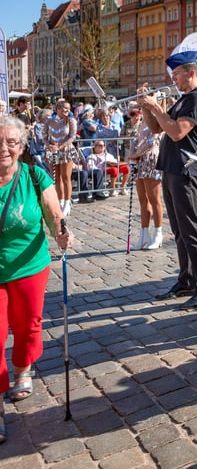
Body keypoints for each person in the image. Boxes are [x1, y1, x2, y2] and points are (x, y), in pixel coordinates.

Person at [0, 115, 75, 443]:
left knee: (28, 324)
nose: (4, 149)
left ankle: (22, 369)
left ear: (21, 146)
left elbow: (53, 214)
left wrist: (61, 232)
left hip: (29, 265)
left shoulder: (34, 175)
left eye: (11, 142)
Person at [137, 51, 197, 309]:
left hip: (187, 170)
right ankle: (187, 279)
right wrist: (146, 107)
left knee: (191, 229)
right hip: (172, 169)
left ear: (191, 73)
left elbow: (177, 132)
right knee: (180, 230)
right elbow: (157, 127)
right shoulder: (184, 100)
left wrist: (157, 107)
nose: (174, 79)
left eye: (177, 74)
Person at [126, 105, 164, 249]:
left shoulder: (155, 120)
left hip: (151, 160)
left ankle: (158, 233)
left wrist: (137, 153)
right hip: (140, 162)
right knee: (143, 199)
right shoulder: (140, 124)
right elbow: (137, 141)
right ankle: (144, 234)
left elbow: (152, 141)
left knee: (154, 199)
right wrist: (133, 153)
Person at [45, 100, 78, 215]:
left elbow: (72, 136)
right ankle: (60, 201)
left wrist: (61, 146)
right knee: (56, 178)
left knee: (65, 177)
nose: (67, 110)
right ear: (58, 109)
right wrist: (49, 145)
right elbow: (44, 136)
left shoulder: (71, 121)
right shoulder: (49, 121)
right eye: (65, 108)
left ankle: (67, 203)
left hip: (66, 151)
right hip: (52, 151)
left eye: (69, 108)